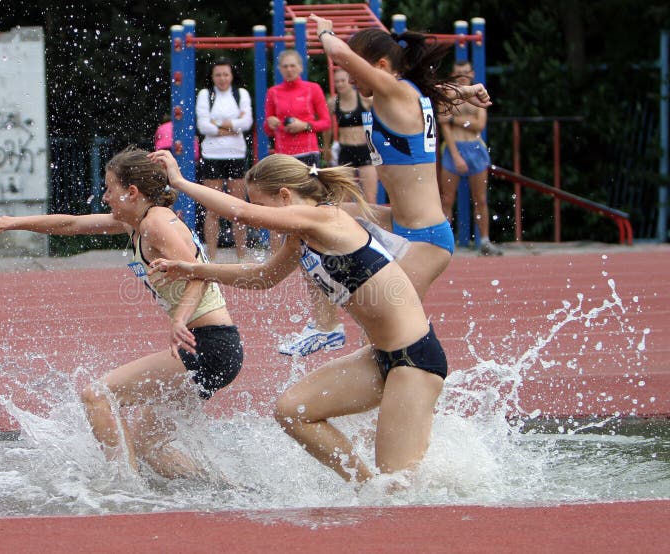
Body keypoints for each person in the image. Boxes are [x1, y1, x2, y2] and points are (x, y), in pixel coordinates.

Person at [148, 150, 448, 484]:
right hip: (379, 358)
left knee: (399, 485)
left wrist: (179, 182)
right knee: (293, 411)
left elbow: (242, 213)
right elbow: (262, 278)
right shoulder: (300, 238)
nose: (262, 214)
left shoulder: (326, 218)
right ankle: (365, 486)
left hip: (416, 359)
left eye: (263, 204)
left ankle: (388, 496)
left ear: (286, 196)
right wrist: (194, 268)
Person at [0, 146, 243, 479]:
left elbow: (200, 273)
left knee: (97, 395)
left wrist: (179, 318)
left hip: (208, 344)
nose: (104, 196)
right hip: (214, 348)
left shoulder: (157, 223)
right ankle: (224, 491)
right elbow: (72, 224)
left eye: (109, 188)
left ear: (132, 192)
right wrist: (8, 222)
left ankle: (125, 488)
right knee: (146, 446)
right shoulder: (136, 222)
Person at [310, 15, 491, 299]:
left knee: (393, 334)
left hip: (426, 238)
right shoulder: (407, 92)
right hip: (397, 222)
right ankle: (325, 324)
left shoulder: (395, 92)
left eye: (356, 72)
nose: (351, 79)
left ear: (381, 66)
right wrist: (467, 90)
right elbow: (438, 91)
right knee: (317, 218)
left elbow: (338, 53)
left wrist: (325, 31)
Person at [263, 48, 345, 355]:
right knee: (283, 210)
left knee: (308, 210)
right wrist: (272, 122)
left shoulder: (312, 90)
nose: (288, 70)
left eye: (293, 65)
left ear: (301, 66)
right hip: (284, 155)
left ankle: (313, 246)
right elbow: (266, 126)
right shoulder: (273, 92)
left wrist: (305, 125)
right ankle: (288, 252)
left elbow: (325, 122)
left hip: (307, 155)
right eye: (284, 65)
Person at [438, 61, 503, 256]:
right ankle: (443, 242)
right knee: (447, 199)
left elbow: (479, 125)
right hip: (453, 148)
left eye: (466, 73)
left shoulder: (477, 93)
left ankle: (484, 240)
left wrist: (453, 119)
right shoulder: (448, 95)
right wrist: (456, 155)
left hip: (475, 148)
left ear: (472, 73)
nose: (462, 77)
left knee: (480, 198)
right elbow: (444, 125)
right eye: (459, 74)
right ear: (453, 74)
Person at [196, 57, 253, 262]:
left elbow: (246, 123)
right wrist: (231, 126)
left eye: (225, 74)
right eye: (218, 74)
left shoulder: (241, 94)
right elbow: (203, 126)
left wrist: (219, 125)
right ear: (212, 77)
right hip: (212, 155)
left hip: (236, 154)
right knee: (212, 209)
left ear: (232, 75)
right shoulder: (205, 95)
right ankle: (210, 257)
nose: (222, 78)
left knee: (238, 209)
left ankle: (242, 257)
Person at [323, 67, 379, 203]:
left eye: (343, 80)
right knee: (345, 199)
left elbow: (383, 111)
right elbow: (328, 127)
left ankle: (370, 224)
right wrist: (326, 147)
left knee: (370, 198)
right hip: (345, 150)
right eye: (337, 82)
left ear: (350, 81)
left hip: (365, 149)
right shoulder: (333, 102)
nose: (340, 84)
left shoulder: (364, 99)